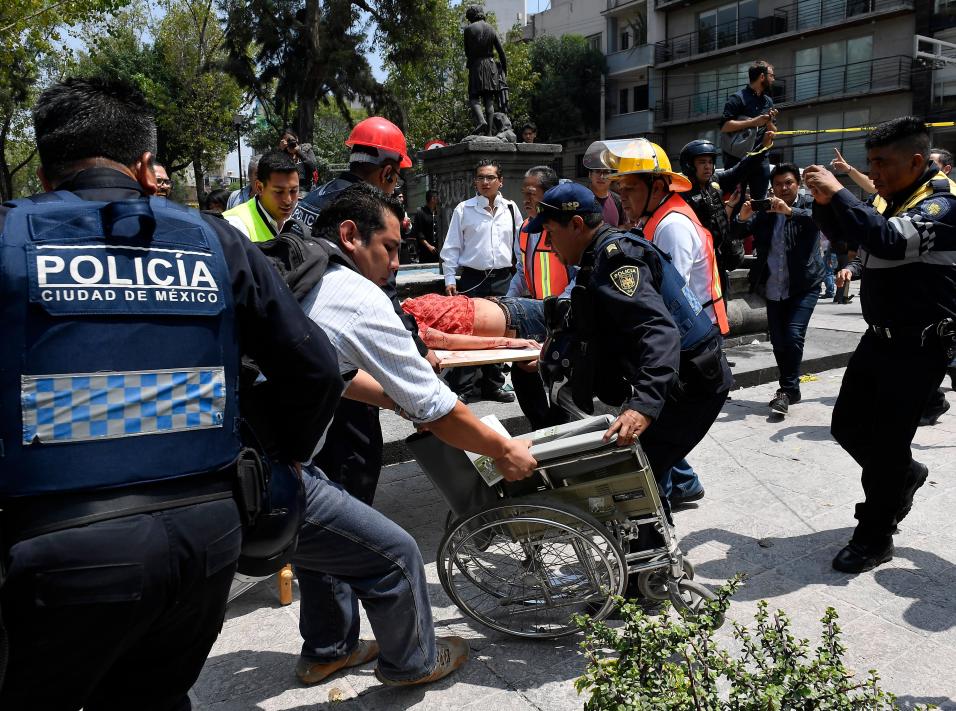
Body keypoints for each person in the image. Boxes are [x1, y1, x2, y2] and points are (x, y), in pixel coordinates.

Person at [0, 76, 342, 710]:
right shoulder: (215, 240)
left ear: (44, 176)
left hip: (56, 548)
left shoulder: (11, 239)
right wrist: (277, 454)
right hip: (205, 538)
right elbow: (317, 369)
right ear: (142, 164)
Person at [292, 182, 537, 688]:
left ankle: (327, 651)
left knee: (325, 544)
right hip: (275, 469)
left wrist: (396, 398)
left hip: (246, 458)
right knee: (396, 555)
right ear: (350, 235)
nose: (397, 263)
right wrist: (504, 449)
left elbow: (332, 375)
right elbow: (435, 406)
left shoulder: (300, 279)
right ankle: (414, 662)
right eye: (390, 247)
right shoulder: (356, 293)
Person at [805, 117, 956, 573]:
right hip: (878, 340)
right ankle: (903, 477)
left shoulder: (943, 204)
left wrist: (839, 192)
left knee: (888, 445)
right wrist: (824, 203)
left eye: (883, 164)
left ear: (915, 161)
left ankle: (875, 534)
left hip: (919, 347)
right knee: (847, 426)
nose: (876, 173)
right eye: (870, 163)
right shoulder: (895, 199)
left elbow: (889, 241)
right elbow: (857, 236)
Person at [529, 183, 732, 523]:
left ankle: (652, 569)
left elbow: (659, 331)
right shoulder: (599, 256)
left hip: (693, 385)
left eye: (550, 233)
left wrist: (643, 406)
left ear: (577, 225)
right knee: (637, 480)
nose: (547, 245)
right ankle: (650, 562)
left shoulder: (617, 260)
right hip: (682, 378)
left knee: (631, 482)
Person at [592, 138, 731, 508]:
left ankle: (662, 500)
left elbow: (664, 302)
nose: (623, 198)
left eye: (631, 188)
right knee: (661, 436)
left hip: (691, 346)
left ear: (657, 186)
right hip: (684, 342)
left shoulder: (670, 225)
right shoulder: (658, 218)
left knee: (655, 442)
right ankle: (679, 484)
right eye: (619, 189)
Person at [735, 162, 824, 417]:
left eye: (789, 183)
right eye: (778, 184)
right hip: (773, 286)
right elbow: (738, 232)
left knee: (794, 335)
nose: (783, 188)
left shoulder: (809, 204)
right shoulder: (766, 211)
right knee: (778, 340)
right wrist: (741, 217)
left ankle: (786, 390)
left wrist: (790, 212)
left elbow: (817, 220)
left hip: (804, 285)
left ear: (798, 184)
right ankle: (791, 389)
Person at [441, 159, 522, 403]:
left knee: (500, 329)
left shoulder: (510, 208)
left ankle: (494, 384)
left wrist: (522, 276)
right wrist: (449, 277)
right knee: (469, 329)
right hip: (473, 278)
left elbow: (519, 245)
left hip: (502, 277)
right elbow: (452, 246)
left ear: (501, 181)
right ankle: (466, 386)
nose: (485, 182)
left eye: (490, 178)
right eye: (480, 178)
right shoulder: (464, 209)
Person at [507, 164, 576, 429]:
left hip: (562, 319)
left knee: (560, 385)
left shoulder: (563, 228)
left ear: (549, 194)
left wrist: (562, 309)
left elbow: (577, 275)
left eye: (531, 193)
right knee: (523, 377)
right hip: (534, 318)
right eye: (524, 193)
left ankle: (560, 437)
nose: (526, 199)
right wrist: (507, 305)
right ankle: (542, 430)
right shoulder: (524, 229)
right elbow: (522, 273)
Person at [677, 132, 775, 296]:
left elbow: (742, 168)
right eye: (702, 162)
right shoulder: (681, 194)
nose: (707, 166)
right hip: (698, 264)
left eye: (710, 162)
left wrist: (763, 146)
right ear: (689, 165)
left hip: (720, 261)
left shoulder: (715, 181)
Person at [719, 60, 778, 200]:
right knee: (734, 199)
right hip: (737, 158)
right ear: (762, 77)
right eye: (771, 75)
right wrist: (753, 122)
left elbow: (774, 132)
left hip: (761, 157)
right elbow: (724, 126)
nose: (773, 79)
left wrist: (769, 122)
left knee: (760, 201)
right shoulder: (737, 98)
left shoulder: (768, 101)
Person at [401, 293, 544, 350]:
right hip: (515, 319)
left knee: (563, 307)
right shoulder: (405, 327)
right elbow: (449, 342)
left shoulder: (401, 307)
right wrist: (506, 342)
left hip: (506, 305)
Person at [222, 150, 301, 241]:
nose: (288, 200)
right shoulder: (234, 226)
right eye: (279, 192)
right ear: (259, 188)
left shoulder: (302, 217)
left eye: (294, 191)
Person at [463, 5, 507, 136]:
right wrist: (504, 71)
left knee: (473, 96)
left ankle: (481, 121)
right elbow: (502, 53)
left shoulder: (468, 29)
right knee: (489, 99)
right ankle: (489, 133)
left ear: (471, 16)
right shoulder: (491, 28)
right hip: (491, 65)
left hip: (477, 65)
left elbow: (467, 52)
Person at [410, 190, 441, 263]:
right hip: (425, 251)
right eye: (437, 197)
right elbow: (418, 232)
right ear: (432, 198)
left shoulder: (439, 212)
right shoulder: (420, 212)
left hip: (439, 251)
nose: (439, 199)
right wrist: (428, 246)